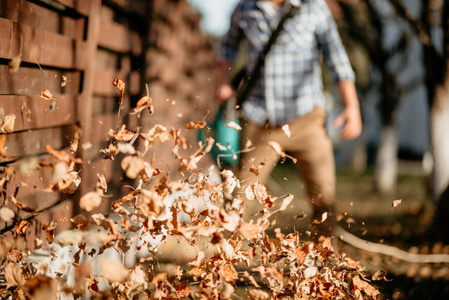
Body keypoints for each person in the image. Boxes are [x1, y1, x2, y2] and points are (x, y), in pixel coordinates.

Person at [216, 0, 362, 241]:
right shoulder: (245, 8)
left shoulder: (313, 7)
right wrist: (224, 82)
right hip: (260, 122)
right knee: (238, 200)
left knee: (324, 198)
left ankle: (323, 266)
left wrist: (352, 106)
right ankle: (223, 266)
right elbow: (227, 47)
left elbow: (337, 58)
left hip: (307, 120)